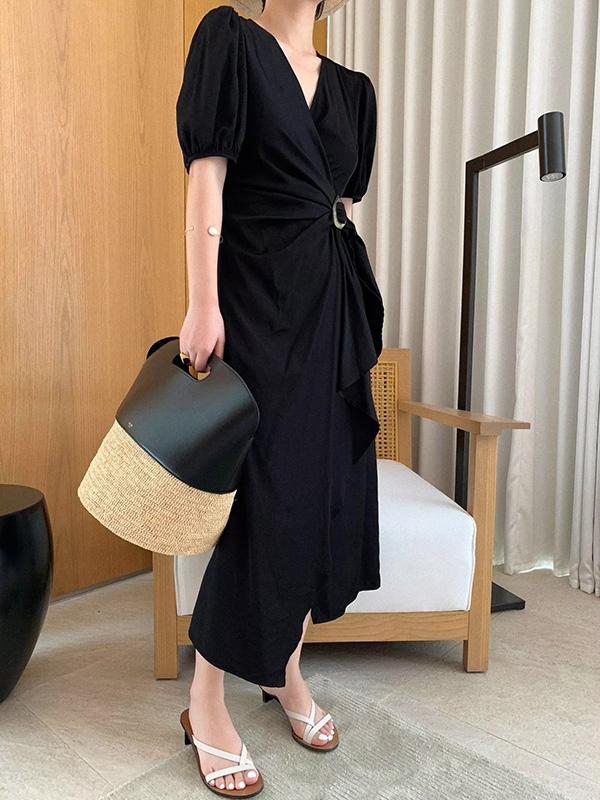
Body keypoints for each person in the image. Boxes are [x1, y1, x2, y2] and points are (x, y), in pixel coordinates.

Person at [175, 0, 384, 795]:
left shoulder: (354, 91)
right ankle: (205, 701)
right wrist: (202, 303)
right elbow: (207, 177)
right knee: (264, 500)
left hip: (332, 310)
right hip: (256, 306)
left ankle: (283, 670)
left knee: (322, 494)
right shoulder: (229, 39)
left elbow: (342, 208)